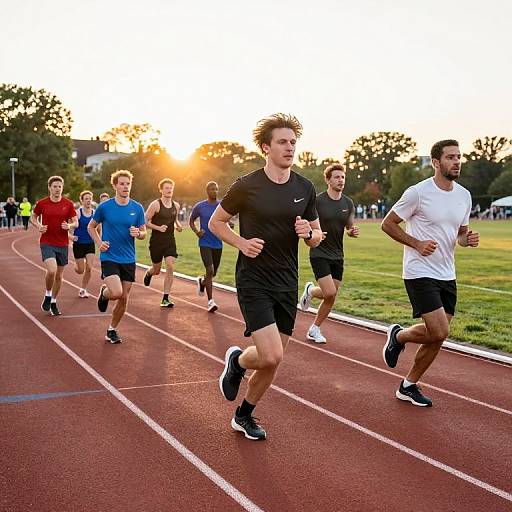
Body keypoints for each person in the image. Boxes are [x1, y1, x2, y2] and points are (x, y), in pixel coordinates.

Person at [209, 113, 321, 440]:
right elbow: (217, 223)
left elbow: (316, 234)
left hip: (287, 281)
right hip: (254, 280)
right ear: (265, 148)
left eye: (292, 142)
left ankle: (243, 412)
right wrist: (241, 243)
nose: (289, 148)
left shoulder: (304, 187)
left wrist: (309, 234)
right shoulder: (247, 186)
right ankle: (240, 362)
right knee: (271, 354)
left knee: (274, 360)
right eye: (282, 142)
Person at [381, 139, 479, 407]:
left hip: (447, 272)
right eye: (450, 157)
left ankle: (408, 383)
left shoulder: (464, 195)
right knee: (439, 331)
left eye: (459, 157)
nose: (457, 161)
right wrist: (416, 243)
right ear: (436, 162)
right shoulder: (418, 193)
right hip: (419, 271)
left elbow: (459, 233)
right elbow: (387, 224)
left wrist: (466, 240)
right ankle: (398, 337)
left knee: (438, 334)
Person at [299, 164, 359, 343]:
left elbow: (348, 226)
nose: (341, 180)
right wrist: (313, 232)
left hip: (338, 254)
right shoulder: (317, 201)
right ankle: (314, 324)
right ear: (327, 180)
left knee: (330, 295)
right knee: (330, 293)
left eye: (343, 177)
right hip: (319, 252)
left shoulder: (348, 203)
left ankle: (314, 325)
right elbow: (304, 223)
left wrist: (351, 231)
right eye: (337, 177)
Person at [87, 170, 146, 344]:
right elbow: (91, 227)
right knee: (117, 292)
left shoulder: (137, 208)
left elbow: (143, 232)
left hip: (129, 258)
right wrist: (99, 243)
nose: (125, 187)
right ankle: (105, 294)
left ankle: (112, 329)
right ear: (115, 186)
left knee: (124, 297)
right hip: (109, 256)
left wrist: (139, 233)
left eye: (128, 184)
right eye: (122, 183)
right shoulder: (105, 207)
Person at [31, 176, 78, 316]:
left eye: (59, 186)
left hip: (63, 243)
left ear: (62, 188)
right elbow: (33, 217)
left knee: (59, 276)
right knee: (51, 270)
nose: (57, 189)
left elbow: (76, 222)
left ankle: (53, 301)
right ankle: (47, 293)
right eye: (55, 186)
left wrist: (68, 225)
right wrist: (39, 225)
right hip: (47, 242)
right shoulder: (42, 203)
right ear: (49, 188)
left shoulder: (68, 204)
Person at [143, 178, 182, 307]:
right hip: (156, 242)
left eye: (171, 188)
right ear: (161, 190)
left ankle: (165, 298)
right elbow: (145, 222)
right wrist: (158, 228)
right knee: (157, 270)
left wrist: (178, 225)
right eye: (166, 188)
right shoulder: (155, 205)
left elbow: (174, 220)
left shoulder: (176, 205)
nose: (169, 190)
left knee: (170, 266)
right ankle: (149, 273)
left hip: (170, 241)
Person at [189, 181, 224, 312]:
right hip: (205, 242)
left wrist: (229, 224)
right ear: (207, 191)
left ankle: (202, 282)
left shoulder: (221, 205)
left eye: (216, 189)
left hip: (218, 243)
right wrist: (197, 231)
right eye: (212, 189)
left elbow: (225, 219)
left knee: (213, 273)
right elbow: (191, 220)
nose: (214, 191)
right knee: (210, 270)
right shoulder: (200, 206)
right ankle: (210, 301)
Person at [71, 190, 96, 298]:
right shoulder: (77, 213)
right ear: (82, 201)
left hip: (90, 243)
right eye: (86, 199)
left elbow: (98, 227)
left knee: (89, 268)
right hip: (79, 243)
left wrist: (98, 238)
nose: (88, 201)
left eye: (90, 199)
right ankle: (76, 266)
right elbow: (69, 226)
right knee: (81, 270)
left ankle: (83, 289)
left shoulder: (94, 213)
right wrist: (71, 237)